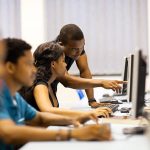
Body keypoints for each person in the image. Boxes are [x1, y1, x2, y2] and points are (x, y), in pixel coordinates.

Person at [0, 38, 111, 150]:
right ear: (10, 67)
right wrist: (71, 134)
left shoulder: (15, 97)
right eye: (29, 64)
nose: (34, 69)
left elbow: (40, 118)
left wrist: (77, 118)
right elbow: (9, 133)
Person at [20, 41, 111, 118]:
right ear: (53, 64)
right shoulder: (40, 85)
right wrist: (88, 114)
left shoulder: (49, 84)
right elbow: (48, 110)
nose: (65, 65)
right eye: (63, 61)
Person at [52, 24, 126, 108]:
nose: (79, 52)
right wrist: (102, 83)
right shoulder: (52, 53)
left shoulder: (77, 48)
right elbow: (67, 81)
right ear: (61, 44)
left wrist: (92, 100)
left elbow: (84, 71)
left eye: (82, 46)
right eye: (75, 49)